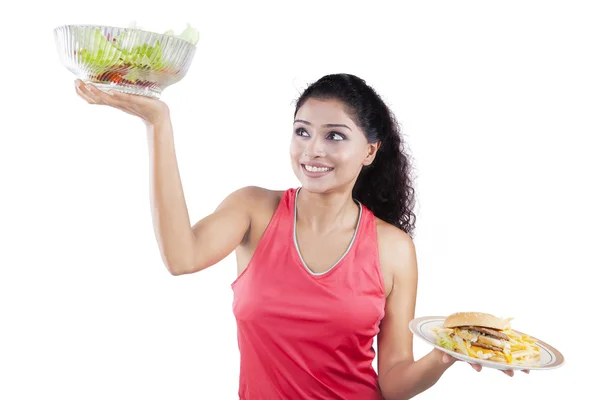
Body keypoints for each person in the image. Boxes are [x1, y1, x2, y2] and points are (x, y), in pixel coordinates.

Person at [74, 73, 527, 399]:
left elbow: (391, 379)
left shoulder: (392, 248)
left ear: (369, 151)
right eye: (302, 131)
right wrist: (158, 123)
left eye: (335, 136)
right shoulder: (254, 209)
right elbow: (181, 256)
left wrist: (443, 356)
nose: (313, 149)